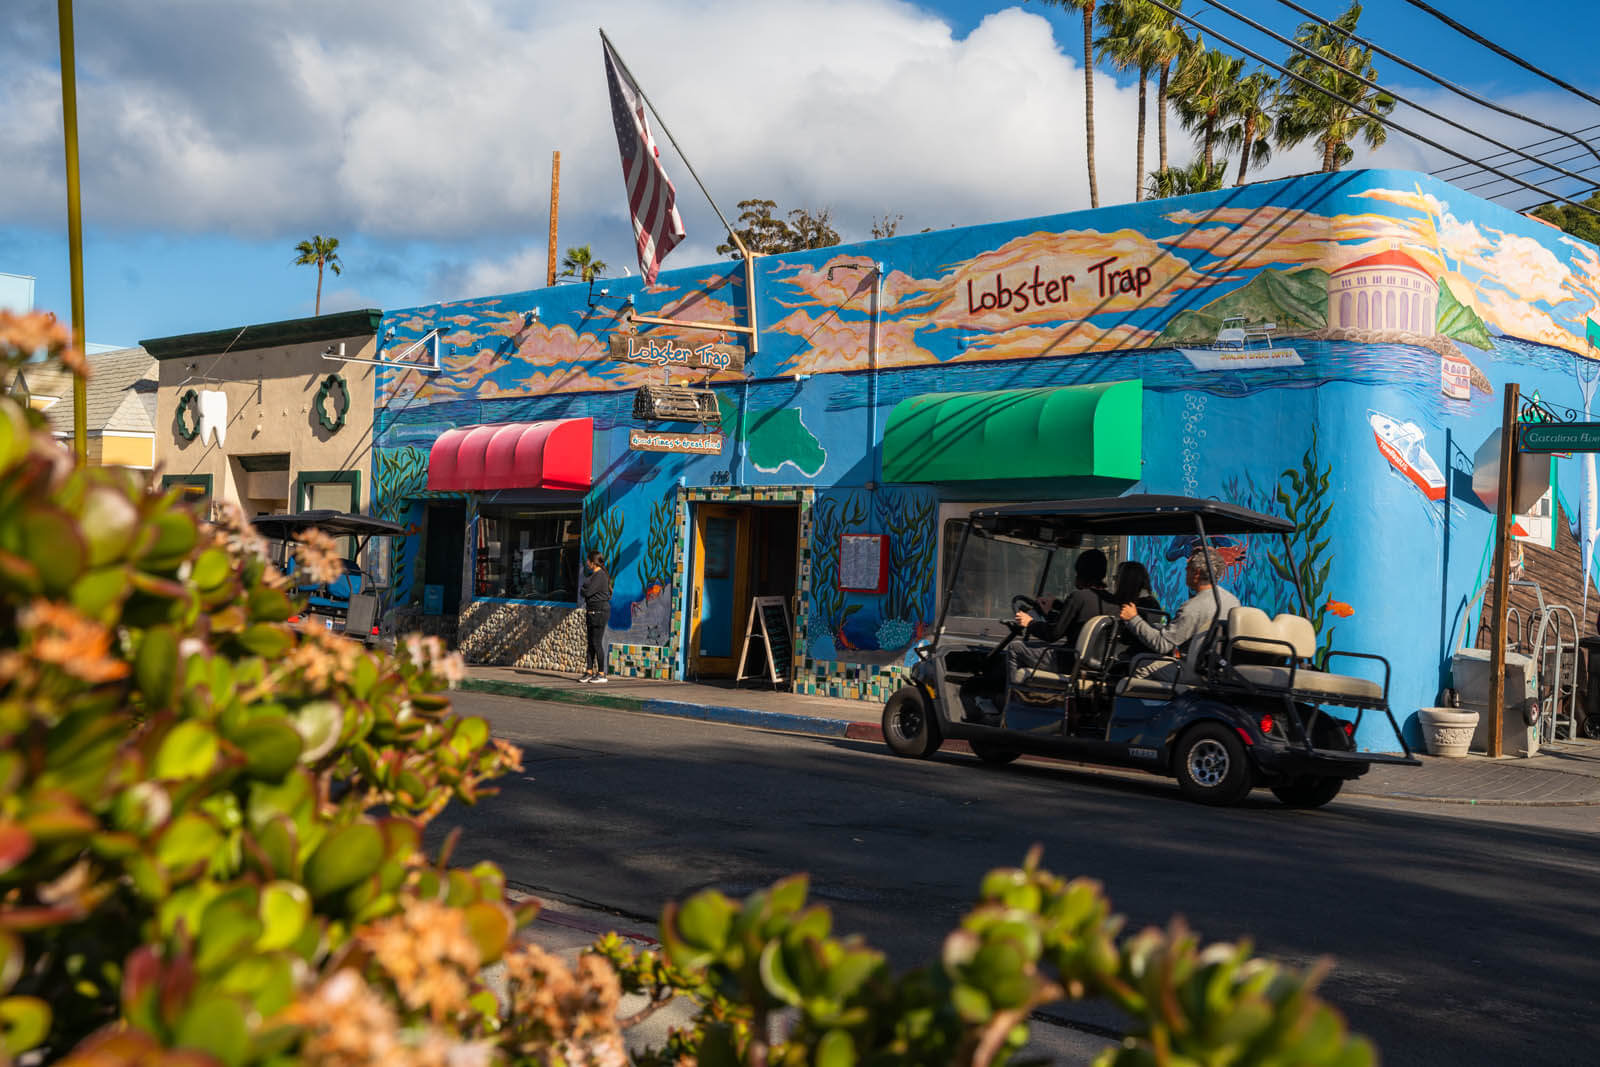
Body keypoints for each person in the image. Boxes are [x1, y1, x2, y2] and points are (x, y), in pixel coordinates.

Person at [1118, 547, 1239, 685]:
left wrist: (1133, 619)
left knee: (1139, 663)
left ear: (1197, 573)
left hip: (1197, 671)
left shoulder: (1193, 607)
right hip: (1217, 668)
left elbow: (1162, 645)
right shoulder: (1233, 601)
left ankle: (1150, 705)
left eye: (1187, 568)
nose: (1184, 571)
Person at [1006, 548, 1116, 678]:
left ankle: (1014, 695)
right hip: (1096, 665)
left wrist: (1029, 623)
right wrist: (1048, 613)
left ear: (1080, 572)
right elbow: (1074, 625)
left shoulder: (1078, 597)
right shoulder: (1114, 602)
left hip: (1067, 661)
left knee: (1015, 648)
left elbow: (1053, 634)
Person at [1110, 560, 1164, 659]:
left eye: (1116, 578)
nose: (1115, 582)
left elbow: (1126, 639)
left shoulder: (1140, 607)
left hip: (1130, 660)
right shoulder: (1152, 603)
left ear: (1125, 582)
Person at [579, 551, 612, 683]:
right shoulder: (594, 575)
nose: (586, 563)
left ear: (593, 562)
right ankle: (589, 671)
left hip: (599, 613)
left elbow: (587, 592)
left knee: (596, 642)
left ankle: (602, 673)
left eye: (588, 560)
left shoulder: (600, 576)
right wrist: (584, 590)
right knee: (591, 643)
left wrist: (584, 589)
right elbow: (585, 591)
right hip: (591, 612)